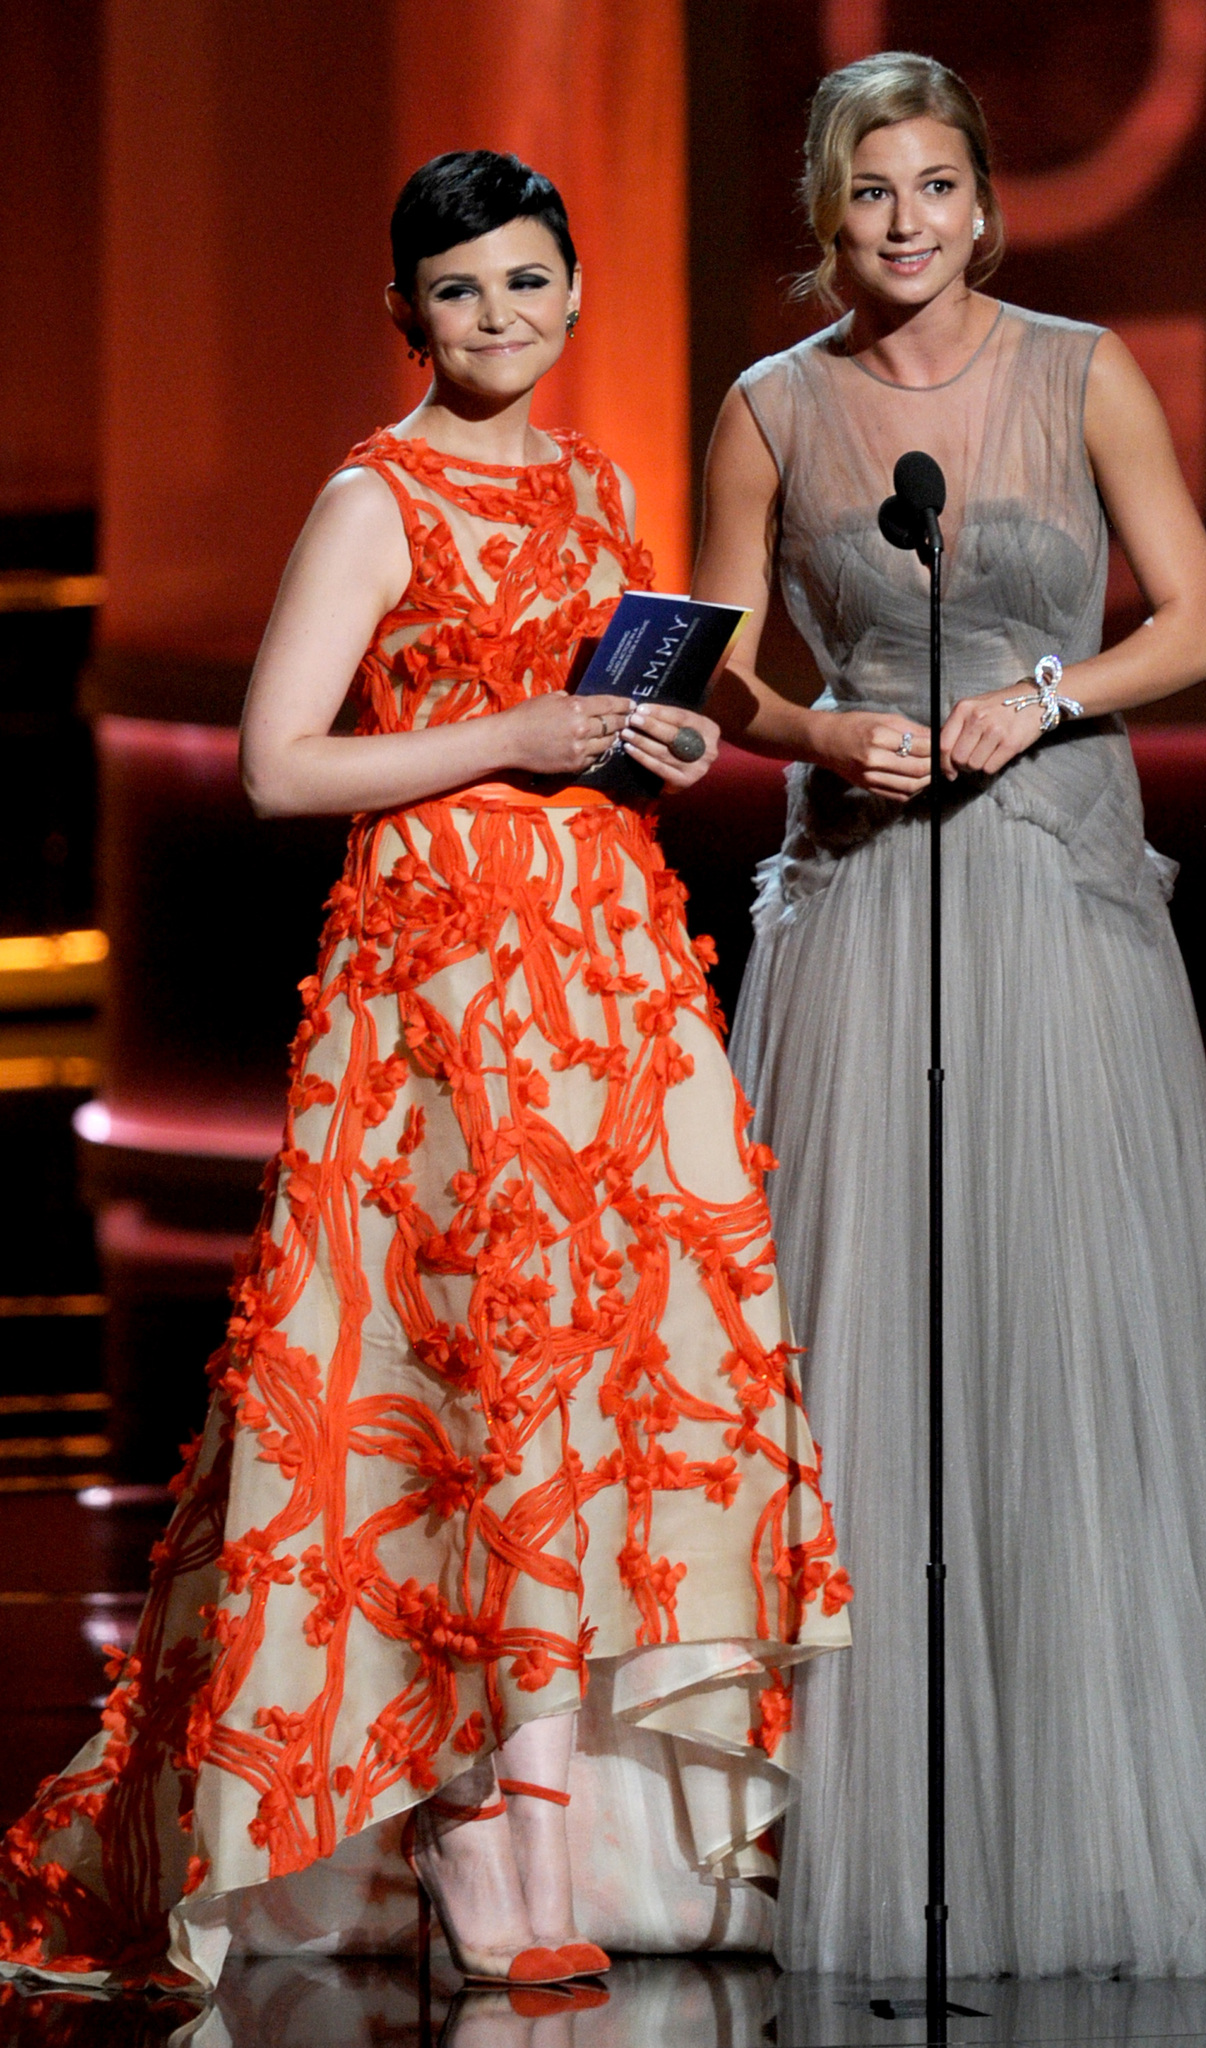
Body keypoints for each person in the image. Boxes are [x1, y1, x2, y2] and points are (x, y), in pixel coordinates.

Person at [0, 149, 850, 1998]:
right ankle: (466, 1827)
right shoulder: (370, 498)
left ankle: (568, 1832)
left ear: (572, 294)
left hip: (605, 978)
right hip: (441, 986)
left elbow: (597, 718)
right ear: (409, 310)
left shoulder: (595, 480)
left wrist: (643, 738)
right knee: (441, 1388)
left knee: (586, 1390)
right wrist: (520, 729)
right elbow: (277, 766)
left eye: (531, 284)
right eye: (463, 291)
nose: (502, 319)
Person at [692, 52, 1206, 1979]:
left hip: (1061, 895)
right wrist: (827, 729)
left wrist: (1051, 693)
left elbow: (1204, 621)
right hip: (868, 900)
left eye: (934, 184)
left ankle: (1092, 1818)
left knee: (1066, 1336)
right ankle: (876, 1827)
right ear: (831, 217)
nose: (905, 219)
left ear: (987, 200)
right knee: (872, 1360)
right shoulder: (769, 409)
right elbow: (728, 669)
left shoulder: (1084, 371)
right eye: (869, 191)